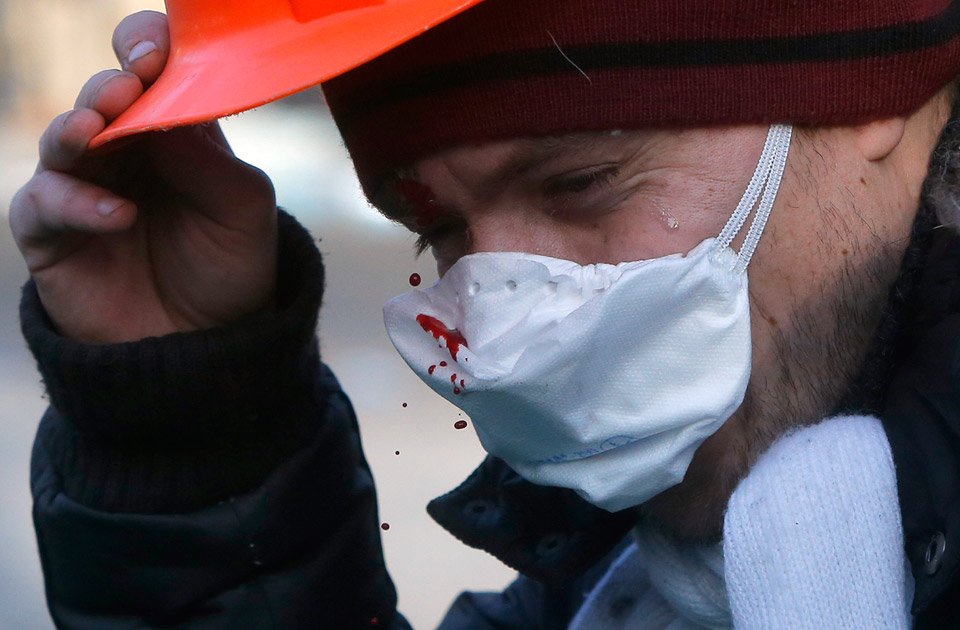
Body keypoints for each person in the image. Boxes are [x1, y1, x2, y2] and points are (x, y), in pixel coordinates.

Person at [10, 1, 960, 627]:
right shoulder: (620, 590)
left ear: (865, 94)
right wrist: (190, 433)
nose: (506, 336)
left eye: (583, 181)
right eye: (440, 232)